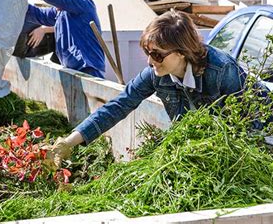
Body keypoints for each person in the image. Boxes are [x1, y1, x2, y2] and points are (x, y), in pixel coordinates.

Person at [43, 10, 247, 170]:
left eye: (157, 55)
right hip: (200, 152)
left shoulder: (221, 71)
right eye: (147, 52)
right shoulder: (156, 74)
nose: (150, 61)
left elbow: (246, 126)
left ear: (182, 52)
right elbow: (118, 105)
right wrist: (68, 142)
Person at [21, 0, 105, 78]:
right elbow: (38, 14)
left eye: (54, 1)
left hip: (87, 71)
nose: (52, 4)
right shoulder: (60, 11)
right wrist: (15, 1)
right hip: (73, 71)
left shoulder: (81, 3)